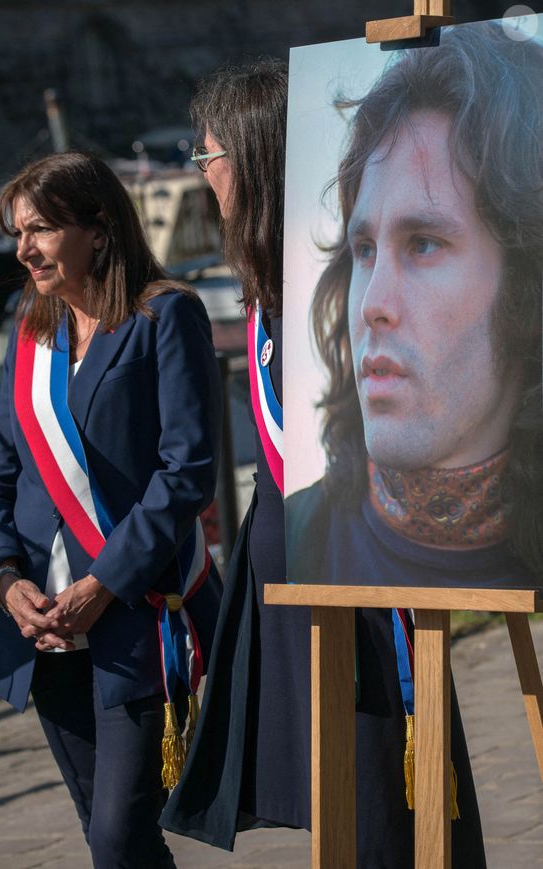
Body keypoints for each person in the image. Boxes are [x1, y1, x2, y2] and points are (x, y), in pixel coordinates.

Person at [286, 19, 543, 867]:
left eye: (423, 243)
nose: (373, 304)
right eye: (363, 249)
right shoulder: (305, 533)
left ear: (528, 283)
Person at [0, 151, 223, 869]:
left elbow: (186, 471)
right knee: (115, 841)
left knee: (116, 837)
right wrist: (5, 580)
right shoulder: (30, 330)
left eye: (41, 229)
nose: (23, 249)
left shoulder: (165, 316)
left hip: (134, 620)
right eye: (18, 232)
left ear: (99, 228)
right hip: (42, 634)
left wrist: (103, 583)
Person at [160, 58, 313, 848]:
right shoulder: (269, 279)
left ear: (252, 157)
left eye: (208, 154)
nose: (203, 173)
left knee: (373, 792)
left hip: (340, 568)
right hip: (287, 560)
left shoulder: (316, 276)